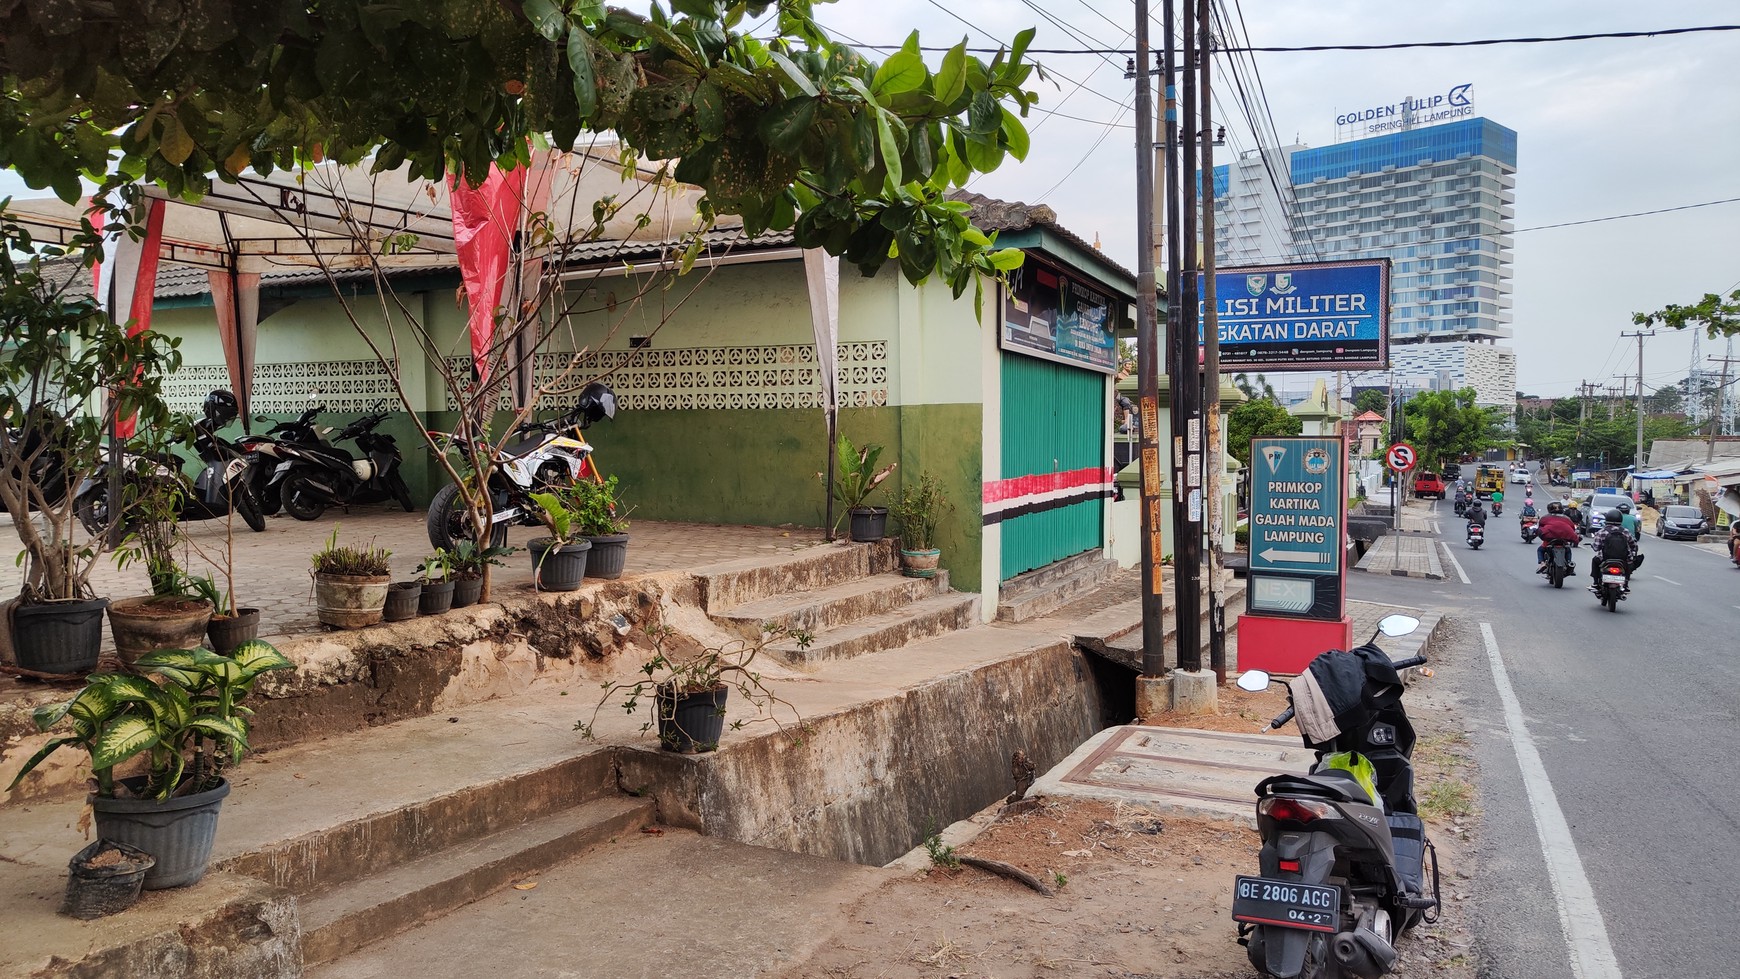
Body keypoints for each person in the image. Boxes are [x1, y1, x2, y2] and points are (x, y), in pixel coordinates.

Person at [1590, 508, 1638, 592]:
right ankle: (1626, 584)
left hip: (1605, 559)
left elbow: (1596, 547)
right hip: (1623, 559)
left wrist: (1593, 546)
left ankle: (1595, 583)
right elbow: (1633, 545)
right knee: (1629, 565)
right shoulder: (1625, 532)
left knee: (1595, 561)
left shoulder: (1602, 532)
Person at [1536, 501, 1580, 571]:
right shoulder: (1567, 518)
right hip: (1563, 540)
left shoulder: (1545, 517)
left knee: (1540, 550)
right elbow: (1572, 528)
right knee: (1568, 550)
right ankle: (1569, 562)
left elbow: (1540, 527)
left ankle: (1542, 563)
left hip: (1550, 539)